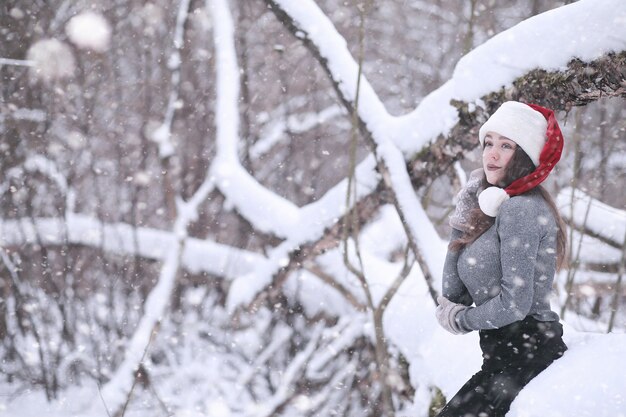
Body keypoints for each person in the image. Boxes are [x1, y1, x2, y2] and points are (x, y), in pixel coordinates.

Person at [434, 101, 569, 417]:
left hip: (529, 354)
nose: (491, 154)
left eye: (505, 146)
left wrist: (463, 320)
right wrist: (465, 212)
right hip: (501, 358)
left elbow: (514, 305)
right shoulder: (492, 210)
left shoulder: (520, 209)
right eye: (488, 143)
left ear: (523, 157)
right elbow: (452, 294)